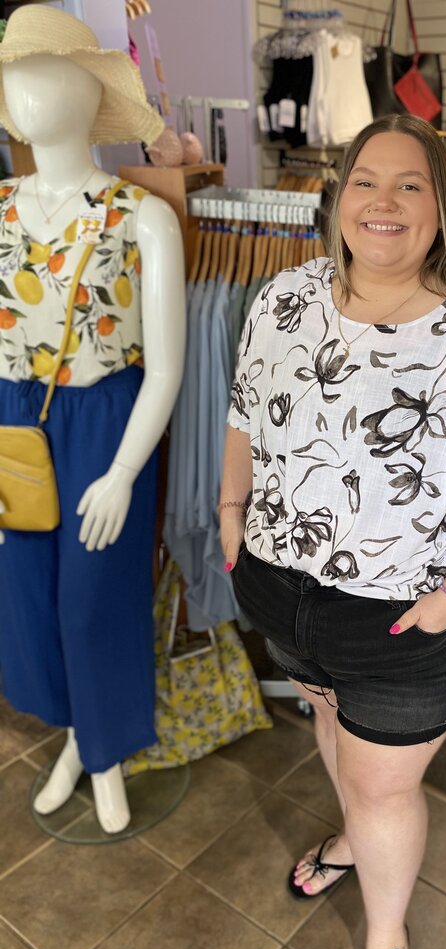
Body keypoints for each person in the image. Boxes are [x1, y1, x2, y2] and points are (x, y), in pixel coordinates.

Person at [220, 113, 446, 949]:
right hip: (282, 592)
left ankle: (386, 943)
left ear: (442, 208)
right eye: (366, 180)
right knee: (331, 725)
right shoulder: (284, 299)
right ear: (339, 197)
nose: (384, 201)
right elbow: (245, 412)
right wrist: (229, 513)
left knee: (384, 784)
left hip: (401, 620)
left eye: (411, 184)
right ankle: (353, 839)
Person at [0, 7, 185, 833]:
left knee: (94, 601)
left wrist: (122, 472)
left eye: (50, 73)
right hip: (13, 424)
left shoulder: (141, 216)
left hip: (106, 425)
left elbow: (168, 368)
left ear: (92, 90)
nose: (30, 93)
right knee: (29, 600)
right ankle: (78, 736)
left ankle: (103, 751)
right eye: (17, 77)